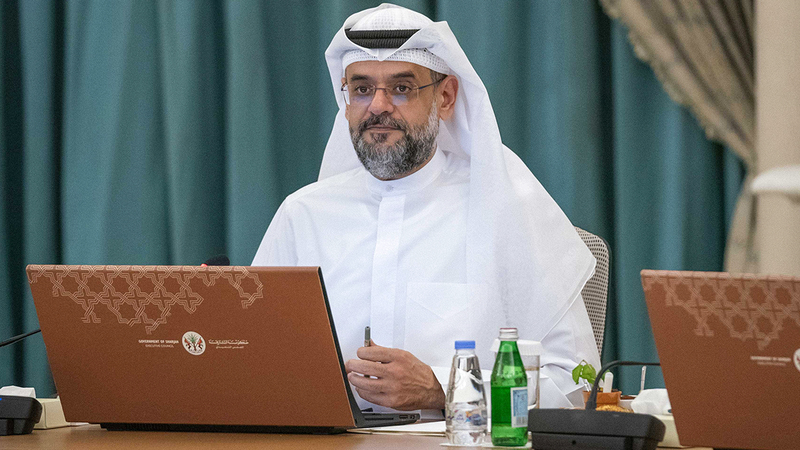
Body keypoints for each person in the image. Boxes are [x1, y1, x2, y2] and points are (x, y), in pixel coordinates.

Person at [252, 4, 601, 416]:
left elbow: (578, 384)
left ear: (446, 97)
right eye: (362, 89)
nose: (378, 106)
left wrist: (442, 388)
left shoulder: (508, 209)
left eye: (401, 88)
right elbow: (252, 359)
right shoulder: (303, 215)